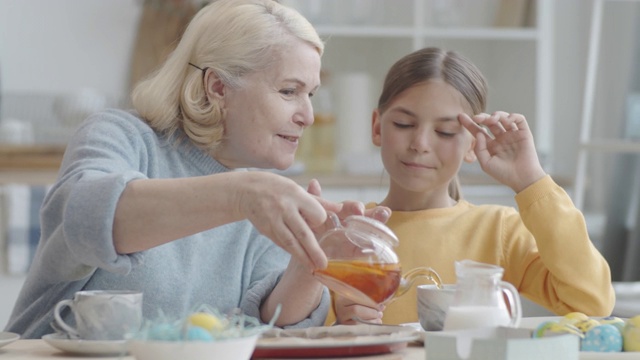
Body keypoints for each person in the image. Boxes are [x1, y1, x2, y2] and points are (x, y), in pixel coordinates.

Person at [5, 0, 389, 338]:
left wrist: (311, 260)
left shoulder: (266, 193)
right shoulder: (122, 136)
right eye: (289, 91)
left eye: (311, 94)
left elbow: (270, 324)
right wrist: (241, 195)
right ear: (218, 88)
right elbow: (86, 220)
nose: (307, 115)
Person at [330, 47, 615, 326]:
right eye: (404, 124)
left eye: (445, 132)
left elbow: (592, 302)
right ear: (377, 127)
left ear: (472, 144)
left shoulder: (498, 230)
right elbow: (305, 334)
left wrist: (531, 180)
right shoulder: (347, 235)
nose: (420, 144)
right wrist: (340, 326)